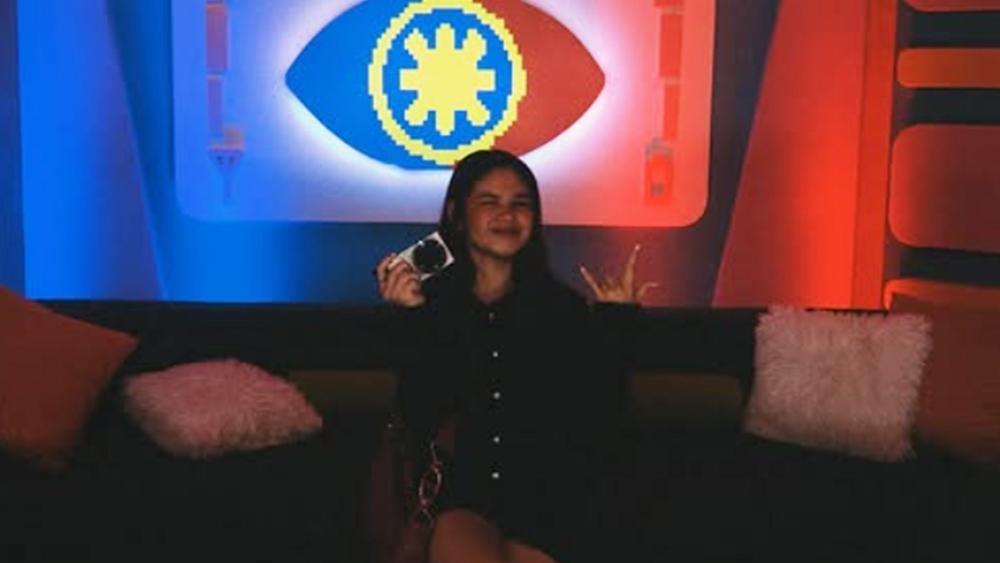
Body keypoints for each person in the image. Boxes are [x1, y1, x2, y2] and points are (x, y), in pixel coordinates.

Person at [374, 149, 656, 563]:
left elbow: (602, 420)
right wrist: (412, 318)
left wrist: (616, 325)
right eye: (489, 202)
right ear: (457, 214)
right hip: (460, 500)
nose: (507, 215)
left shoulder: (563, 311)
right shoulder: (432, 305)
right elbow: (420, 412)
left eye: (520, 204)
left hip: (551, 505)